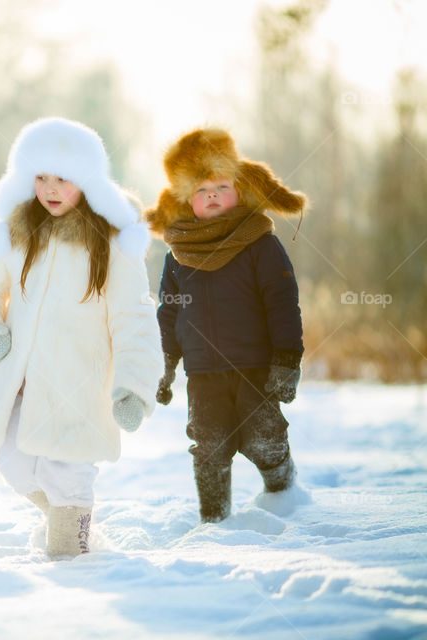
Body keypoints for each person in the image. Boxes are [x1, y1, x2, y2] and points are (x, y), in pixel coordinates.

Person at [0, 117, 163, 558]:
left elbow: (135, 318)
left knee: (66, 474)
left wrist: (135, 385)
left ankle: (73, 561)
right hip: (23, 381)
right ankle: (72, 525)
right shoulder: (14, 230)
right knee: (11, 461)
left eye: (63, 179)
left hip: (80, 385)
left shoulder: (112, 243)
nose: (50, 188)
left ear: (87, 181)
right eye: (41, 177)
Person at [146, 127, 308, 523]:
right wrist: (163, 363)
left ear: (240, 189)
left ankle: (284, 494)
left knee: (264, 440)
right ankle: (214, 519)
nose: (212, 194)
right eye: (202, 190)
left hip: (255, 368)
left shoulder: (259, 243)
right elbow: (169, 312)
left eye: (221, 185)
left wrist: (287, 359)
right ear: (186, 199)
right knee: (208, 446)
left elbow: (282, 303)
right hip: (202, 373)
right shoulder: (178, 252)